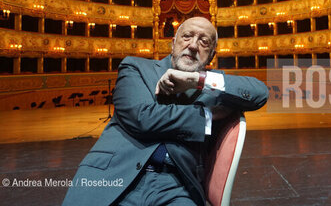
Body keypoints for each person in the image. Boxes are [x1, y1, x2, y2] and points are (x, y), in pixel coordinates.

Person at [63, 17, 268, 206]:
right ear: (173, 43)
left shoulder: (212, 84)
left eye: (204, 42)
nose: (193, 45)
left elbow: (260, 93)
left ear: (211, 55)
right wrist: (206, 117)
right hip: (112, 174)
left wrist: (197, 80)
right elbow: (142, 118)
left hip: (175, 184)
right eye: (187, 36)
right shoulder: (137, 68)